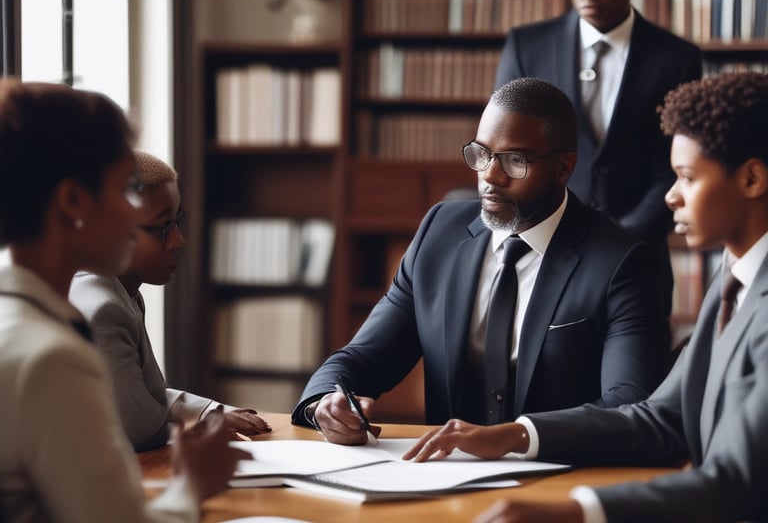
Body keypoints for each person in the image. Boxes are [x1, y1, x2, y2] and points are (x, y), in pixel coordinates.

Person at [404, 72, 768, 523]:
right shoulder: (732, 279)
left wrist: (578, 510)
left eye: (687, 177)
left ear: (752, 178)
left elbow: (735, 483)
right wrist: (516, 435)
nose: (671, 196)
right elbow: (659, 419)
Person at [292, 77, 670, 444]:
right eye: (482, 153)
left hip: (558, 481)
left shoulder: (623, 263)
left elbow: (629, 404)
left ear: (563, 168)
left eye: (515, 160)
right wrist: (326, 402)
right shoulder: (439, 232)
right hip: (446, 481)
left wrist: (520, 438)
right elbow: (364, 357)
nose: (490, 175)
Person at [0, 79, 249, 521]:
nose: (135, 215)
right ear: (74, 202)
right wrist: (194, 483)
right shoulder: (52, 359)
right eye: (125, 191)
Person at [494, 0, 703, 317]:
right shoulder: (527, 46)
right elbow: (507, 154)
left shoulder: (677, 59)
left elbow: (674, 167)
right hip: (542, 257)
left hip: (639, 263)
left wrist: (614, 245)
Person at [69, 151, 271, 452]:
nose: (179, 241)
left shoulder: (119, 290)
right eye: (163, 227)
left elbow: (138, 395)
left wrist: (209, 412)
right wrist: (204, 430)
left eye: (179, 222)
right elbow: (138, 430)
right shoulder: (102, 308)